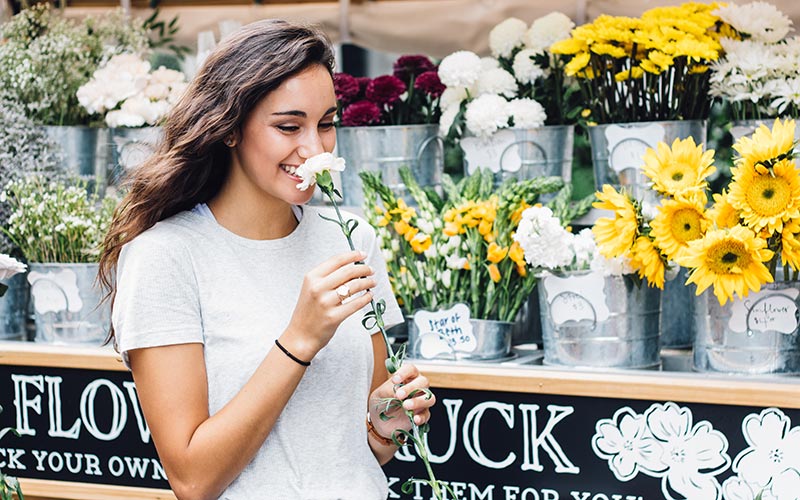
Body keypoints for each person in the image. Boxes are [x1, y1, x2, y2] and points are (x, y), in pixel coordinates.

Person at [98, 19, 435, 500]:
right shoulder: (165, 257)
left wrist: (389, 423)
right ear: (230, 128)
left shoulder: (350, 237)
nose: (314, 147)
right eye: (288, 126)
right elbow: (193, 480)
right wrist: (300, 338)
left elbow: (359, 448)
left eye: (326, 124)